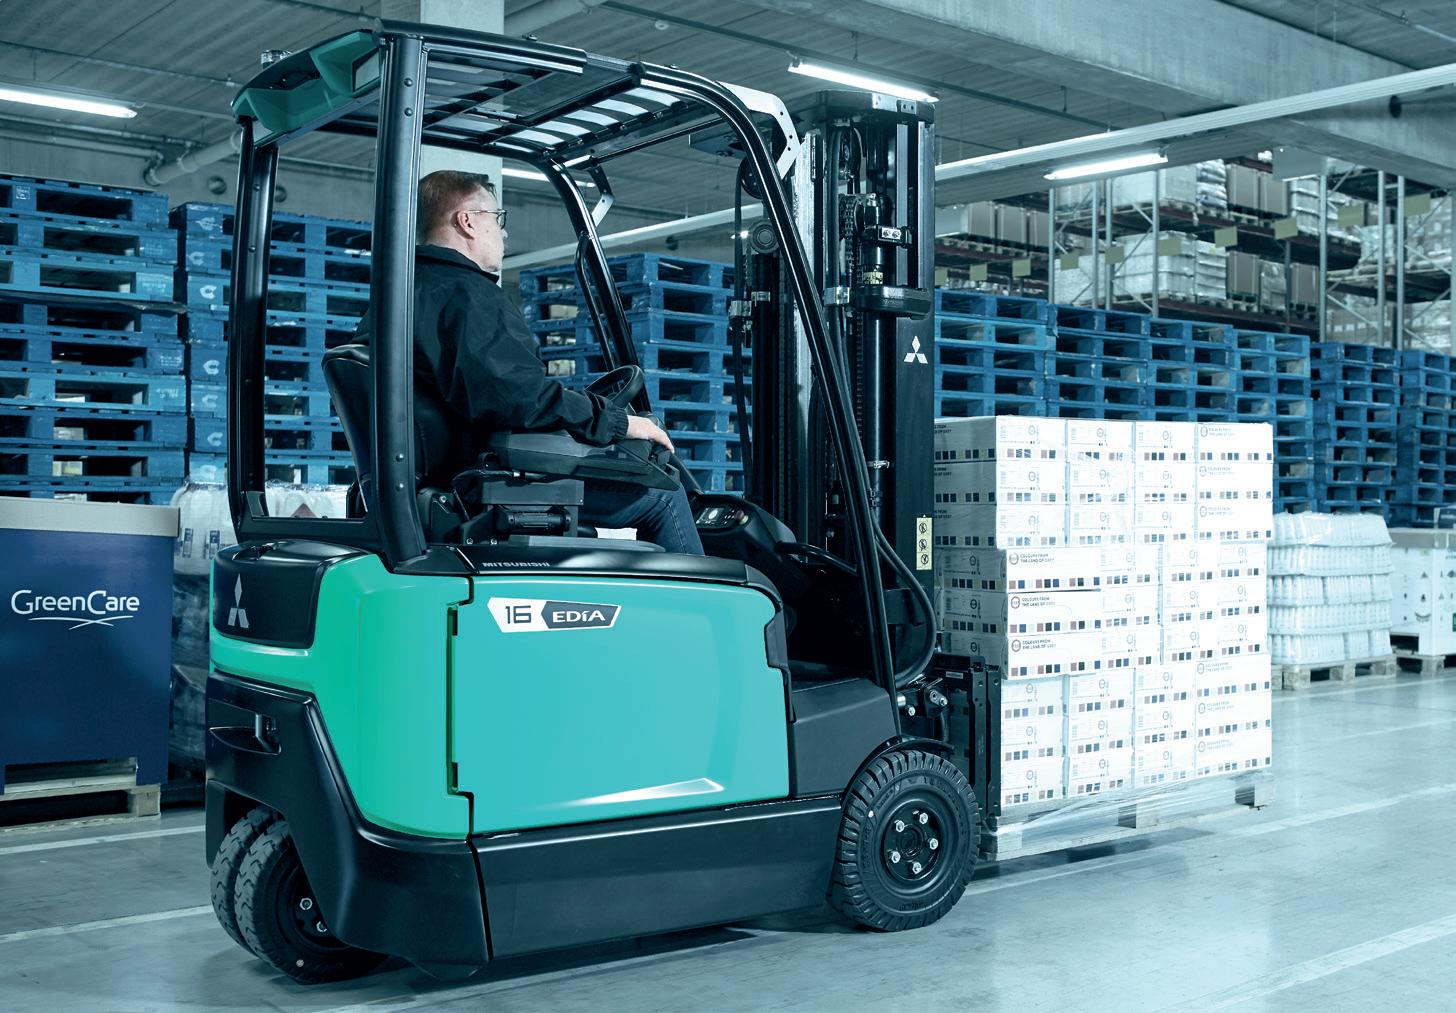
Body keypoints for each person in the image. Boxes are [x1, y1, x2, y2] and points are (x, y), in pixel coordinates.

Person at [356, 169, 703, 555]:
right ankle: (711, 595)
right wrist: (619, 422)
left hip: (440, 474)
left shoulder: (398, 296)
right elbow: (519, 398)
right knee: (666, 495)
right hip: (482, 479)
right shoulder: (469, 296)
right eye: (497, 218)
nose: (503, 233)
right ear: (467, 221)